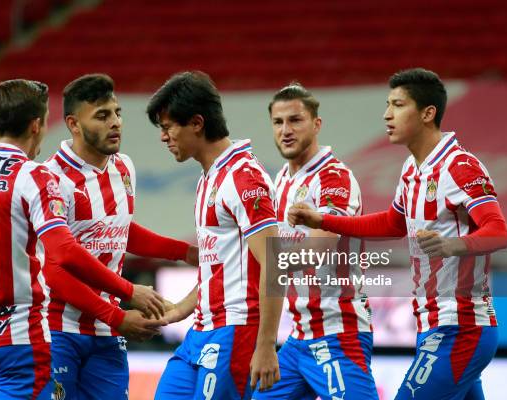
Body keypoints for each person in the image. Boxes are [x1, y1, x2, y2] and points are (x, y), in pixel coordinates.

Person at [0, 79, 165, 399]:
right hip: (20, 346)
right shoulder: (32, 176)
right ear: (36, 125)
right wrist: (128, 291)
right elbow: (64, 253)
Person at [288, 68, 507, 399]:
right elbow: (392, 223)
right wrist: (323, 220)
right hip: (433, 326)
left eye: (398, 104)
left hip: (460, 327)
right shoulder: (411, 170)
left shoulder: (459, 166)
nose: (386, 114)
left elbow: (498, 231)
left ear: (427, 113)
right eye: (387, 104)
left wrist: (453, 244)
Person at [43, 73, 198, 399]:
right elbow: (54, 270)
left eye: (117, 113)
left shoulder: (123, 167)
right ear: (73, 124)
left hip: (107, 331)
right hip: (58, 329)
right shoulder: (50, 178)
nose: (115, 123)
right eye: (102, 115)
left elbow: (119, 230)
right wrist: (124, 303)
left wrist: (184, 252)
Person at [146, 71, 283, 400]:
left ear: (196, 123)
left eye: (167, 127)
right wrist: (177, 310)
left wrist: (266, 345)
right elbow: (219, 268)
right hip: (201, 331)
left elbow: (276, 263)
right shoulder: (210, 177)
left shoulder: (244, 178)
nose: (163, 137)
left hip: (236, 330)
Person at [252, 83, 377, 399]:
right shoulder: (281, 179)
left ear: (316, 124)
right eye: (278, 122)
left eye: (295, 120)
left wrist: (271, 262)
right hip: (297, 338)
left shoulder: (335, 177)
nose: (286, 130)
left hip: (338, 331)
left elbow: (322, 245)